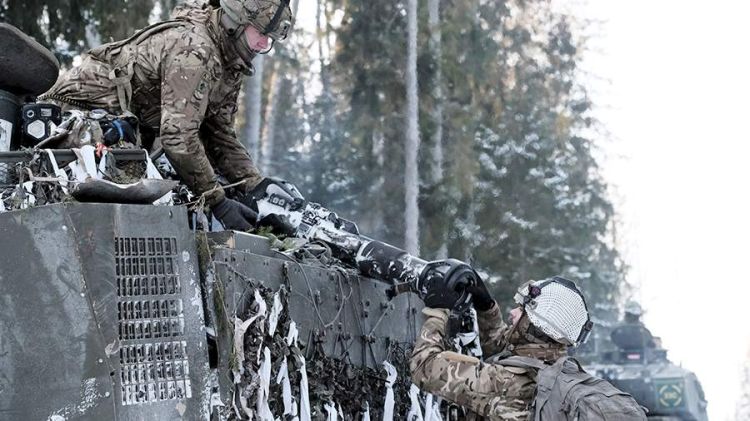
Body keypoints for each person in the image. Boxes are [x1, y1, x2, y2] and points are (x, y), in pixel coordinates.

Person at [41, 0, 294, 230]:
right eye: (260, 33)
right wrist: (217, 201)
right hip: (75, 116)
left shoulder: (229, 59)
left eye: (269, 38)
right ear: (237, 22)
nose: (263, 44)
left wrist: (254, 184)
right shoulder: (195, 50)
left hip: (124, 127)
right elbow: (178, 137)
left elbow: (219, 135)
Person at [410, 276, 592, 420]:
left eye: (522, 311)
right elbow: (505, 351)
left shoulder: (509, 383)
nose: (512, 312)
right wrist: (487, 308)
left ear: (533, 326)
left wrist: (438, 313)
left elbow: (424, 368)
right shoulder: (554, 365)